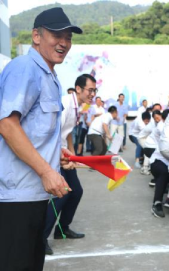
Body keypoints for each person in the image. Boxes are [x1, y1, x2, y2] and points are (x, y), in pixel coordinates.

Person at [0, 7, 81, 270]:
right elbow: (7, 125)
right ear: (36, 35)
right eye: (57, 35)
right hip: (16, 197)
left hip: (34, 195)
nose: (64, 43)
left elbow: (32, 130)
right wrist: (47, 171)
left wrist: (56, 153)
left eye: (68, 37)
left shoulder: (50, 75)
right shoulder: (25, 68)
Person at [44, 74, 96, 255]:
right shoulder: (65, 104)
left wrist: (73, 155)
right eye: (90, 90)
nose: (92, 94)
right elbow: (51, 133)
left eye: (94, 91)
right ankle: (41, 238)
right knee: (62, 194)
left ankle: (62, 229)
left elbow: (67, 133)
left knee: (76, 191)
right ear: (78, 89)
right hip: (54, 155)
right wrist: (60, 157)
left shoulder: (77, 107)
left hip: (64, 153)